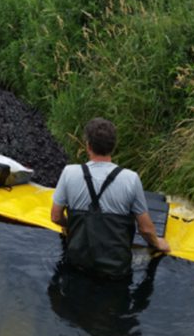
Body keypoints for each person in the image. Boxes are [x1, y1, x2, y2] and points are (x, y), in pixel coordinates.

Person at [50, 117, 170, 279]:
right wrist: (158, 243)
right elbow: (145, 229)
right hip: (115, 271)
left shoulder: (69, 173)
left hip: (77, 264)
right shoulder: (131, 179)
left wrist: (70, 226)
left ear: (88, 146)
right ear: (113, 146)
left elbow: (56, 216)